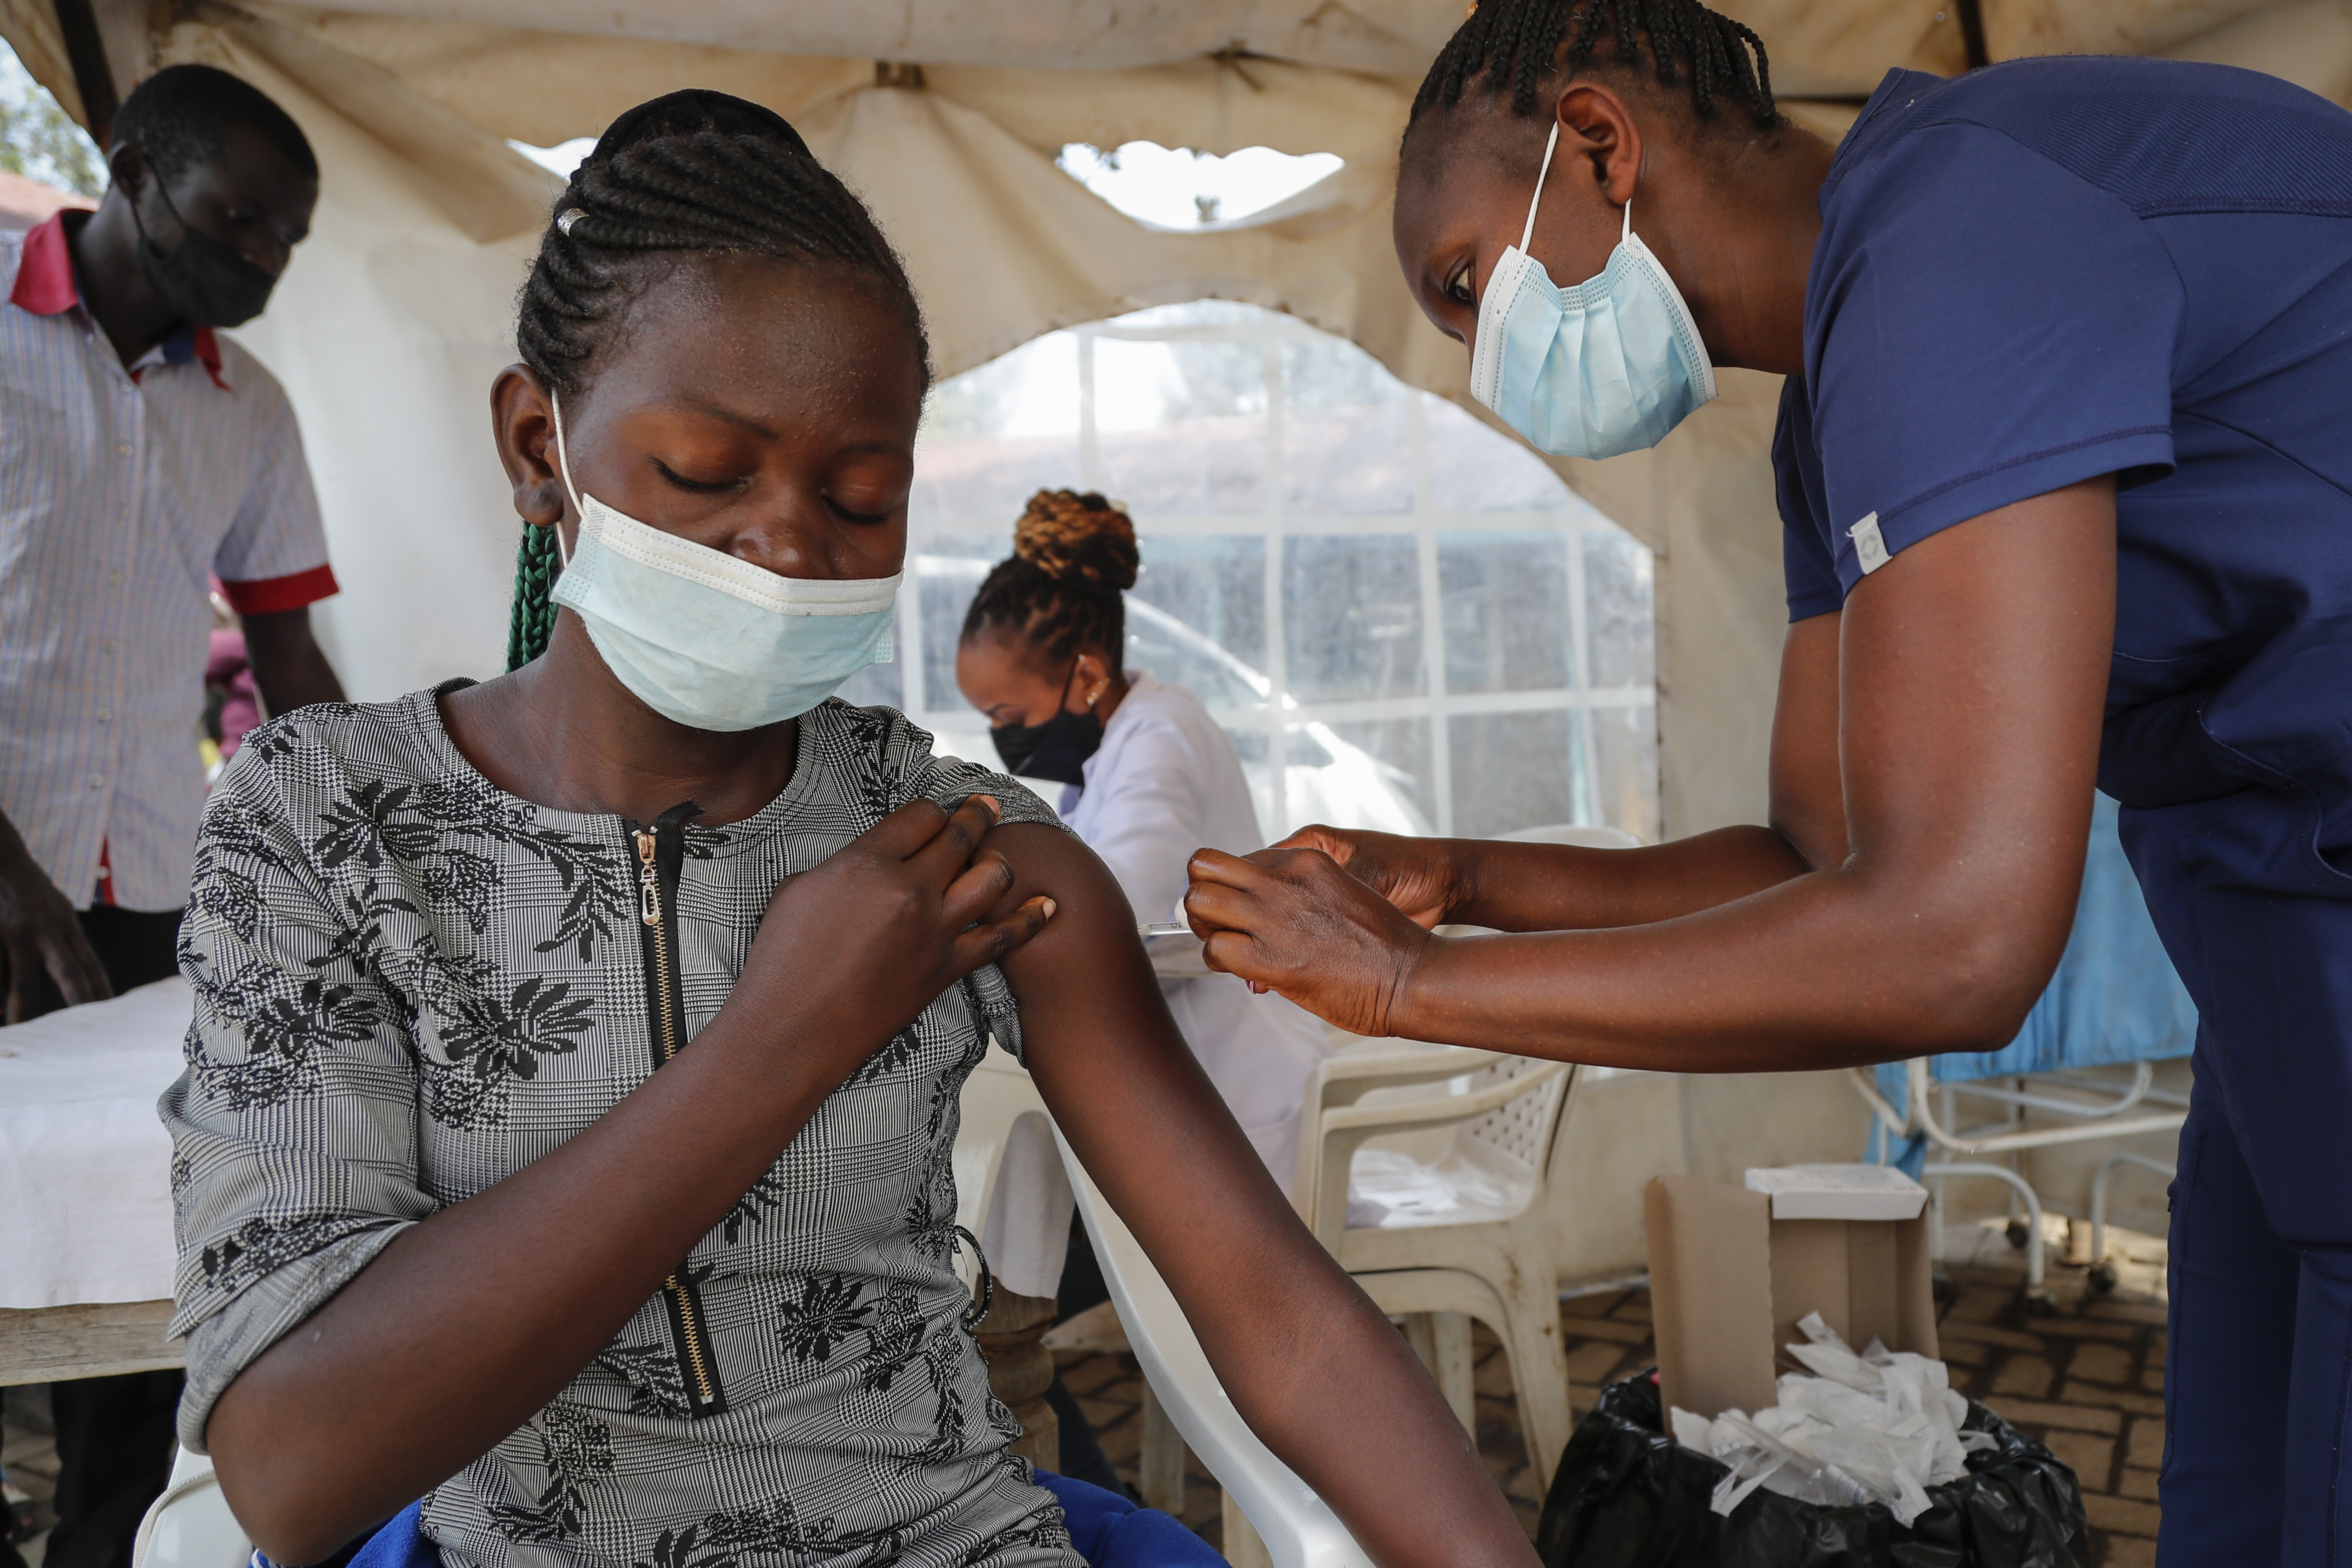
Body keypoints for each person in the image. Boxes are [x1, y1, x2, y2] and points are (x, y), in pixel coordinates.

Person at [162, 91, 1538, 1568]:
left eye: (862, 497)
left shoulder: (965, 852)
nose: (788, 547)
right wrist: (783, 1040)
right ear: (535, 446)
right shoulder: (331, 825)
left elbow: (1283, 1324)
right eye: (705, 475)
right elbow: (293, 1471)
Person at [1180, 3, 2352, 1561]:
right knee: (2249, 1492)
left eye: (1467, 286)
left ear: (1597, 144)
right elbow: (1824, 855)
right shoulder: (1841, 396)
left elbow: (1952, 941)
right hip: (2280, 944)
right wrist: (1465, 880)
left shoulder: (1959, 241)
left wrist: (1411, 983)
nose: (1480, 364)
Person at [0, 62, 342, 1568]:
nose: (261, 258)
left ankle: (104, 1547)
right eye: (236, 219)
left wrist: (366, 826)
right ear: (132, 171)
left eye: (286, 237)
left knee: (143, 1244)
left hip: (143, 875)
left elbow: (284, 651)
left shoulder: (248, 409)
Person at [956, 489, 1333, 1188]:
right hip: (1196, 1078)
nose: (1001, 734)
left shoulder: (1159, 737)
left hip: (1241, 1092)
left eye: (1007, 713)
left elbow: (1119, 894)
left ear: (1089, 673)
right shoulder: (1112, 749)